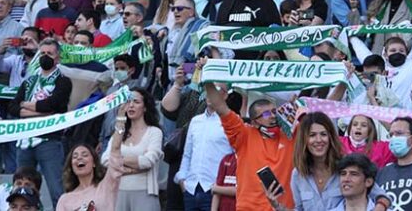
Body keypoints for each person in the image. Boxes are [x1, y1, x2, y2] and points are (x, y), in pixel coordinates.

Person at [264, 112, 390, 211]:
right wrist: (277, 206)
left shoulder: (346, 168)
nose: (319, 140)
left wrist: (379, 208)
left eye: (323, 134)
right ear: (304, 140)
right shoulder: (298, 174)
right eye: (312, 135)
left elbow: (383, 197)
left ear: (330, 137)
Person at [203, 78, 296, 210]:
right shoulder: (244, 135)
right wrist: (207, 79)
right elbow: (221, 108)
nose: (273, 116)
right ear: (254, 122)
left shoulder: (289, 134)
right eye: (266, 113)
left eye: (274, 111)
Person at [8, 38, 72, 208]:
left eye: (49, 54)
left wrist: (25, 106)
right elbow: (13, 106)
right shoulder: (29, 81)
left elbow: (54, 105)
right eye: (42, 53)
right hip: (25, 138)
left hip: (48, 140)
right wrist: (36, 110)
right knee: (21, 189)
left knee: (56, 188)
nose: (45, 56)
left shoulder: (63, 81)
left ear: (57, 58)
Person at [174, 80, 233, 211]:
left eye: (216, 89)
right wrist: (182, 179)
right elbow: (187, 154)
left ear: (225, 95)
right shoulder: (196, 121)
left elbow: (237, 158)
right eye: (208, 89)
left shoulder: (231, 122)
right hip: (191, 188)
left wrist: (223, 187)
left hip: (215, 190)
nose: (210, 94)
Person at [101, 88, 163, 211]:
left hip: (145, 193)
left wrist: (118, 160)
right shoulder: (118, 133)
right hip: (118, 192)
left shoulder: (154, 132)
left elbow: (148, 162)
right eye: (128, 102)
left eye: (136, 102)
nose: (131, 105)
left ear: (145, 107)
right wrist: (135, 167)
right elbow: (105, 160)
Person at [56, 105, 127, 210]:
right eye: (75, 157)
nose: (79, 158)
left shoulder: (107, 185)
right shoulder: (65, 200)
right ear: (71, 166)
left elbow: (115, 150)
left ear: (94, 163)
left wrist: (121, 117)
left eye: (85, 155)